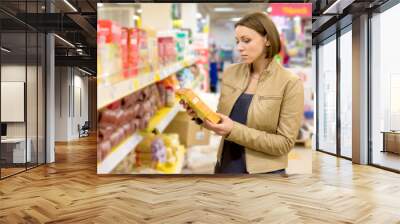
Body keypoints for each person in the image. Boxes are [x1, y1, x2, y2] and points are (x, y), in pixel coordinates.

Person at [181, 12, 304, 174]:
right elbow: (221, 121)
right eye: (237, 41)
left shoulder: (290, 82)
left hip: (264, 175)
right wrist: (200, 116)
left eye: (246, 40)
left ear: (267, 39)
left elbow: (284, 144)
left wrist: (234, 130)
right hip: (225, 166)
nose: (239, 47)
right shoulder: (231, 73)